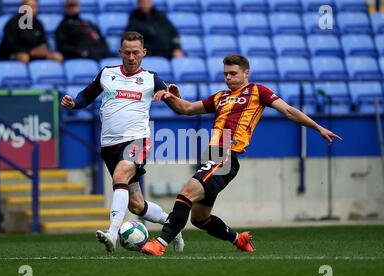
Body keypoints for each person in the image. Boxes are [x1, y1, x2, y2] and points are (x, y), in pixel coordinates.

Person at [140, 54, 343, 256]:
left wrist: (318, 128)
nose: (228, 78)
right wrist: (170, 97)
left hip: (226, 155)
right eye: (226, 74)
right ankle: (239, 239)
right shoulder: (220, 97)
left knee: (187, 193)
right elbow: (188, 108)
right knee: (200, 219)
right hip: (212, 155)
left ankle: (160, 243)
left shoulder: (258, 91)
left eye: (233, 73)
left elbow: (288, 111)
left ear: (246, 73)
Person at [60, 31, 184, 253]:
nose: (131, 57)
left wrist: (173, 94)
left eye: (136, 52)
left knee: (120, 176)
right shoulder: (106, 74)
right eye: (127, 52)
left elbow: (175, 102)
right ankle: (172, 224)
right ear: (120, 52)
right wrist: (74, 103)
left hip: (137, 140)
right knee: (136, 204)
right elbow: (86, 95)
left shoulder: (151, 78)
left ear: (143, 52)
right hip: (109, 145)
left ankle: (112, 233)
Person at [0, 0, 63, 64]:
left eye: (34, 7)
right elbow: (10, 45)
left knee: (57, 57)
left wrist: (44, 49)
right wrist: (30, 51)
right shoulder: (13, 23)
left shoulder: (38, 24)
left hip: (34, 54)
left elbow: (44, 42)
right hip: (14, 54)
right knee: (24, 57)